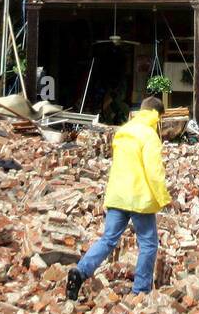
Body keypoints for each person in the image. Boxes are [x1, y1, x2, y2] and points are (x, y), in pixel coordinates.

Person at [66, 96, 171, 299]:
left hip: (117, 195)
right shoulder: (149, 136)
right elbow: (154, 171)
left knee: (108, 239)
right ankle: (141, 291)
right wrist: (164, 198)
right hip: (140, 198)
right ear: (157, 116)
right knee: (148, 244)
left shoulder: (123, 131)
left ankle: (80, 272)